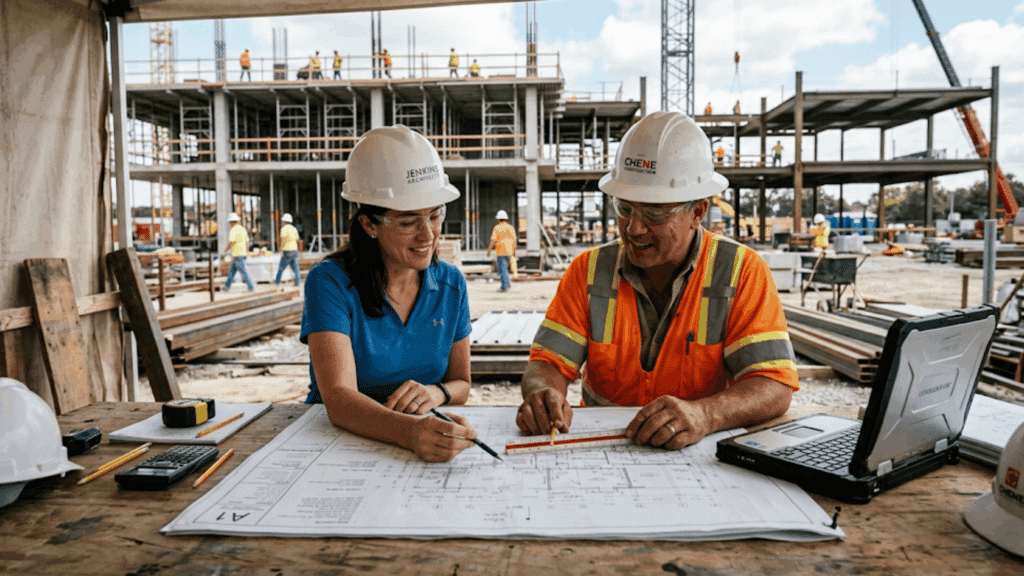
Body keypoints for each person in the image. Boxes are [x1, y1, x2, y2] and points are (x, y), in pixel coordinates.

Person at [516, 111, 798, 452]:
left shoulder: (742, 272)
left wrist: (705, 415)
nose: (634, 228)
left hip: (698, 454)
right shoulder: (587, 271)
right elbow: (546, 363)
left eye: (654, 213)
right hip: (599, 451)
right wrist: (542, 395)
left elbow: (773, 384)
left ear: (697, 212)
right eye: (624, 208)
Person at [301, 124, 476, 462]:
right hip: (336, 444)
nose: (428, 236)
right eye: (409, 221)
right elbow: (338, 398)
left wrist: (435, 392)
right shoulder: (330, 282)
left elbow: (462, 384)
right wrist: (409, 433)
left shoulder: (451, 284)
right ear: (369, 225)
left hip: (417, 442)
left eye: (435, 216)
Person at [486, 210, 517, 292]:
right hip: (509, 251)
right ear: (506, 219)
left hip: (501, 251)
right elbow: (514, 240)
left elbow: (493, 240)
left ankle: (504, 287)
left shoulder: (497, 228)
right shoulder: (511, 227)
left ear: (498, 219)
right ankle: (508, 283)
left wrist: (489, 250)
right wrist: (514, 251)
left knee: (502, 270)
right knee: (506, 269)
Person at [222, 212, 254, 292]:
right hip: (242, 253)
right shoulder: (242, 229)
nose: (230, 224)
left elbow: (231, 242)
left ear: (232, 222)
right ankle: (226, 287)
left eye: (230, 222)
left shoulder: (233, 230)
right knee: (232, 272)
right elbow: (247, 241)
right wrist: (246, 251)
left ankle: (250, 286)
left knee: (243, 271)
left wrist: (224, 251)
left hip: (237, 254)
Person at [275, 213, 301, 286]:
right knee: (296, 268)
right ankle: (297, 282)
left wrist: (281, 249)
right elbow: (298, 239)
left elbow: (283, 239)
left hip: (287, 251)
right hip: (294, 250)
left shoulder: (284, 229)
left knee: (281, 267)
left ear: (284, 221)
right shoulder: (294, 229)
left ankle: (277, 282)